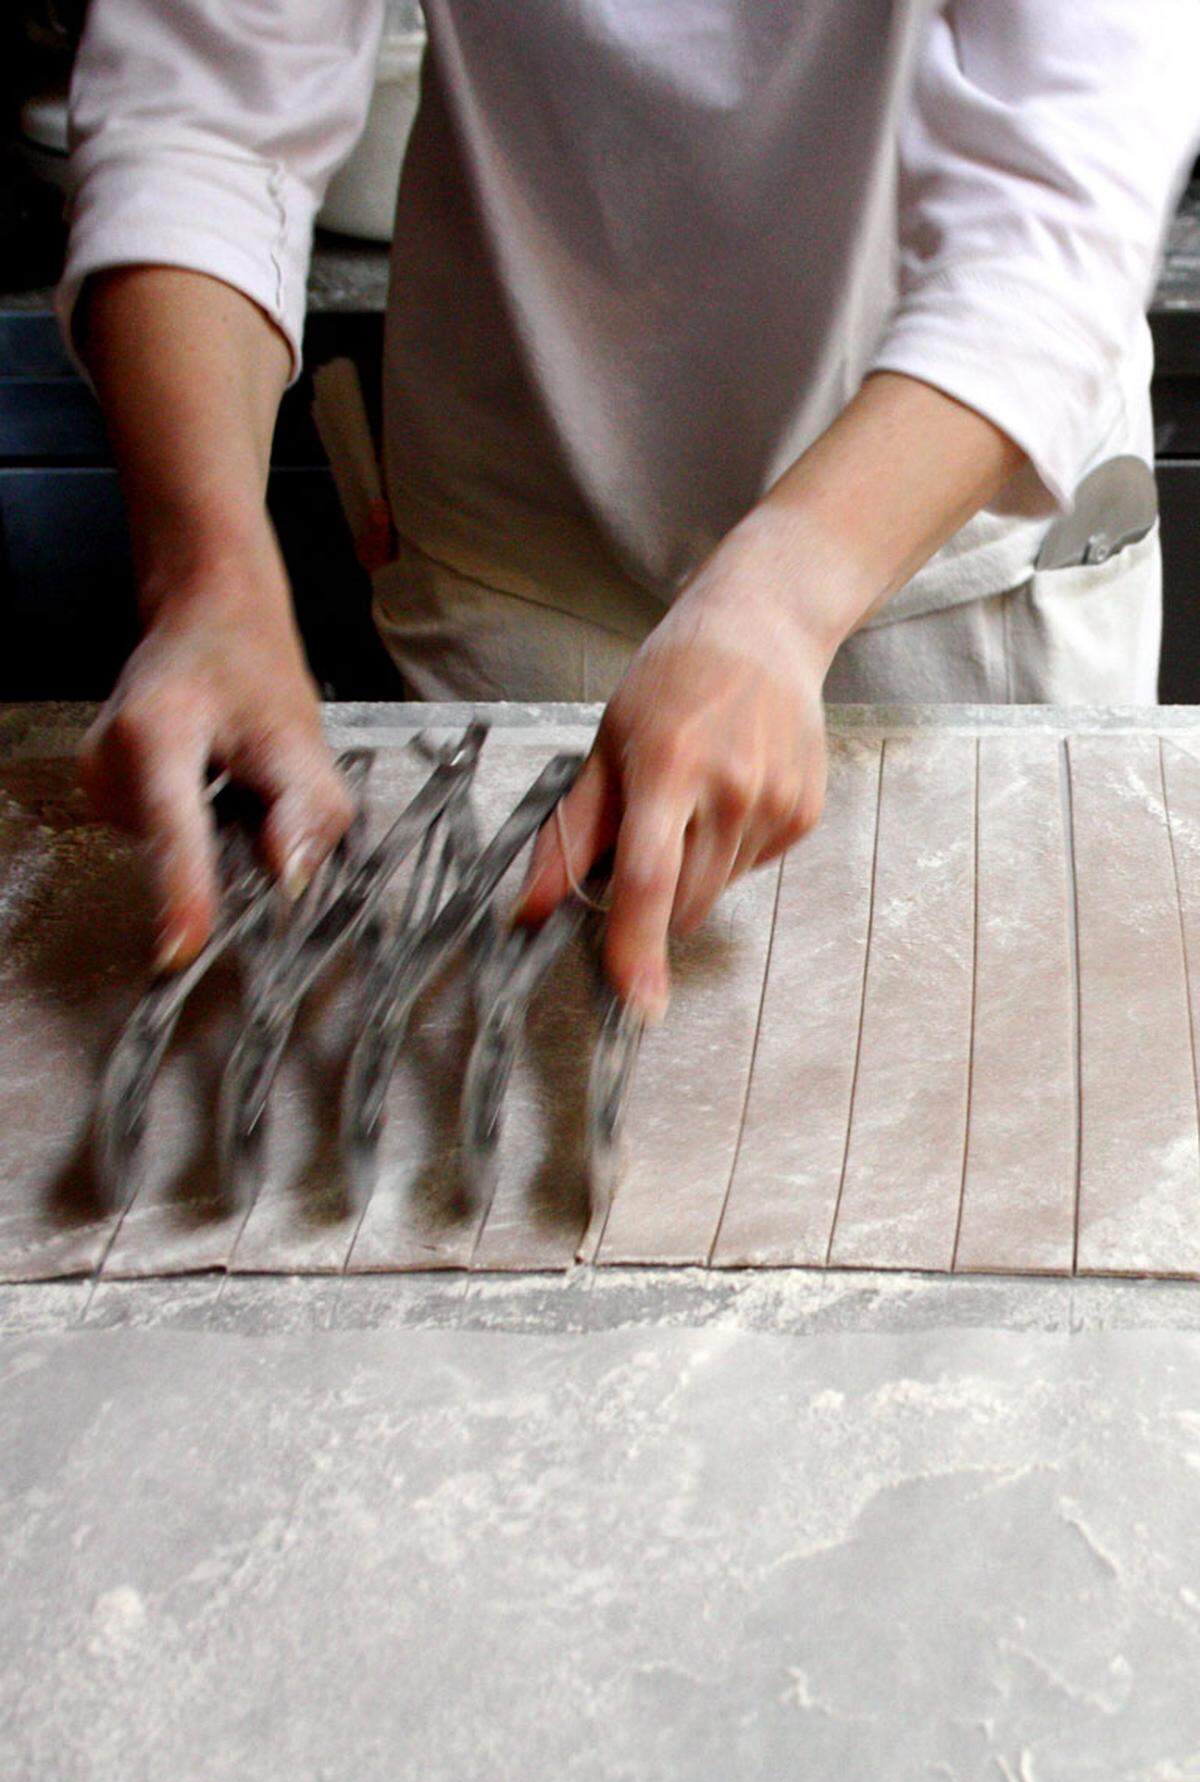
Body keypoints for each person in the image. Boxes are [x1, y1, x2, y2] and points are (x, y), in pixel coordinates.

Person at [60, 0, 1199, 1020]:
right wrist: (204, 570)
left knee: (994, 1075)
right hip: (521, 543)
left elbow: (1061, 189)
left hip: (954, 556)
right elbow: (206, 112)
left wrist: (781, 598)